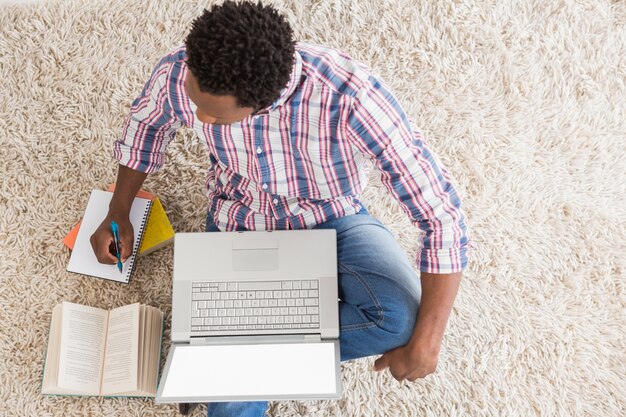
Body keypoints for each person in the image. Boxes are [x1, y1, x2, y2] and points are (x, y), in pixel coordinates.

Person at [90, 1, 471, 416]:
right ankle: (225, 360)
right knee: (232, 406)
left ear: (260, 104)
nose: (196, 117)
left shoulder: (352, 97)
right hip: (237, 219)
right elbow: (147, 125)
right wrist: (119, 207)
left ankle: (217, 358)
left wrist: (428, 344)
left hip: (333, 218)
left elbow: (442, 215)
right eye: (194, 101)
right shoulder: (180, 71)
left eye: (214, 116)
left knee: (402, 321)